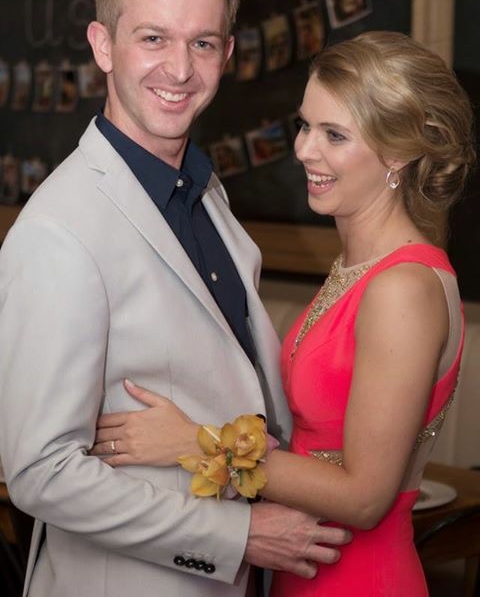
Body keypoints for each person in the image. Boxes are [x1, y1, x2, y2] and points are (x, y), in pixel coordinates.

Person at [0, 0, 350, 597]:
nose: (181, 69)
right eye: (153, 38)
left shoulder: (205, 191)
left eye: (203, 43)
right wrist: (237, 536)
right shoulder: (58, 229)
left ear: (228, 53)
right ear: (103, 45)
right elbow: (41, 473)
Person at [91, 30, 476, 596]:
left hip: (358, 578)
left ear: (397, 151)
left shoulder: (403, 287)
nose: (304, 150)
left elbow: (365, 498)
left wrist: (195, 443)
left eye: (334, 134)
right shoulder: (361, 268)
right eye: (305, 125)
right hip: (306, 566)